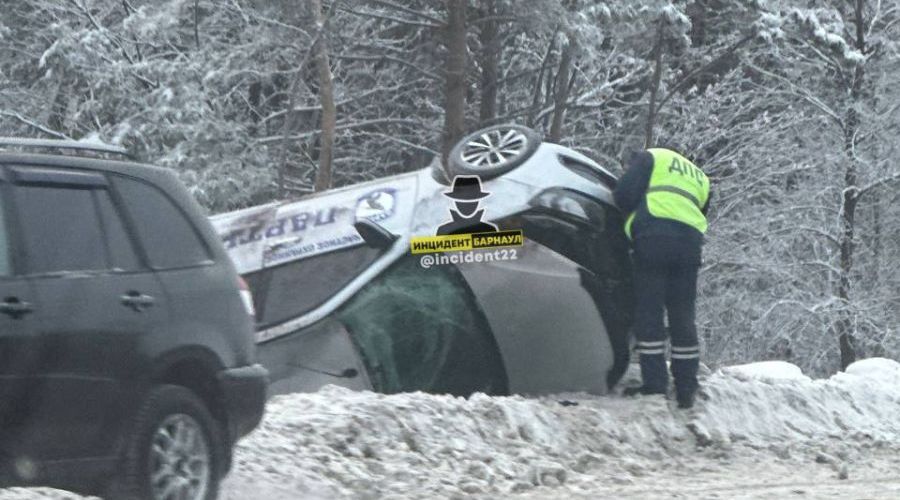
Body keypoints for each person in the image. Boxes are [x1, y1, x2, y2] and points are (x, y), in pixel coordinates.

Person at [613, 147, 711, 409]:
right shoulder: (700, 176)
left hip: (653, 238)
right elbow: (703, 209)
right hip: (689, 246)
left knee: (650, 313)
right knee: (682, 315)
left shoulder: (649, 157)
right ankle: (686, 387)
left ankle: (655, 385)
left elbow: (623, 196)